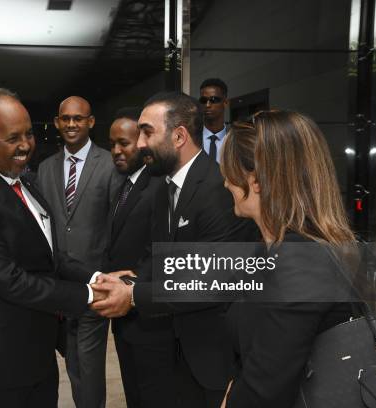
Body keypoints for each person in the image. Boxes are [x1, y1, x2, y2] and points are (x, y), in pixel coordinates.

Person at [0, 88, 126, 408]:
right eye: (13, 138)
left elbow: (52, 257)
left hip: (36, 358)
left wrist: (98, 277)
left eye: (28, 134)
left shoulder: (25, 181)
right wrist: (88, 296)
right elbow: (10, 280)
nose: (26, 145)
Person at [91, 91, 257, 408]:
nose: (140, 143)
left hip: (213, 361)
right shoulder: (164, 189)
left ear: (179, 136)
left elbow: (208, 283)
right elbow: (162, 258)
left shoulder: (217, 189)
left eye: (147, 132)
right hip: (176, 356)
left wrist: (134, 295)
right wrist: (130, 280)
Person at [218, 111, 357, 407]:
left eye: (228, 171)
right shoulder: (271, 250)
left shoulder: (302, 262)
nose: (225, 183)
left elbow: (267, 387)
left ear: (254, 180)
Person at [37, 96, 122, 408]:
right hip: (58, 284)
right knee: (72, 361)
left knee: (88, 361)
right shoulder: (44, 169)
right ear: (58, 122)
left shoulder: (111, 165)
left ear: (91, 122)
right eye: (65, 119)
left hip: (94, 281)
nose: (71, 124)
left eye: (78, 118)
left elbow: (118, 223)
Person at [105, 107, 176, 407]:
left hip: (150, 319)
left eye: (125, 142)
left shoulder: (159, 185)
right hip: (127, 319)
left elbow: (160, 250)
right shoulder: (121, 184)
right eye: (112, 144)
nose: (117, 151)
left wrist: (130, 286)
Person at [199, 78, 229, 162]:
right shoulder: (192, 138)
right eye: (203, 100)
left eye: (214, 100)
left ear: (225, 103)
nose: (207, 105)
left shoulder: (236, 139)